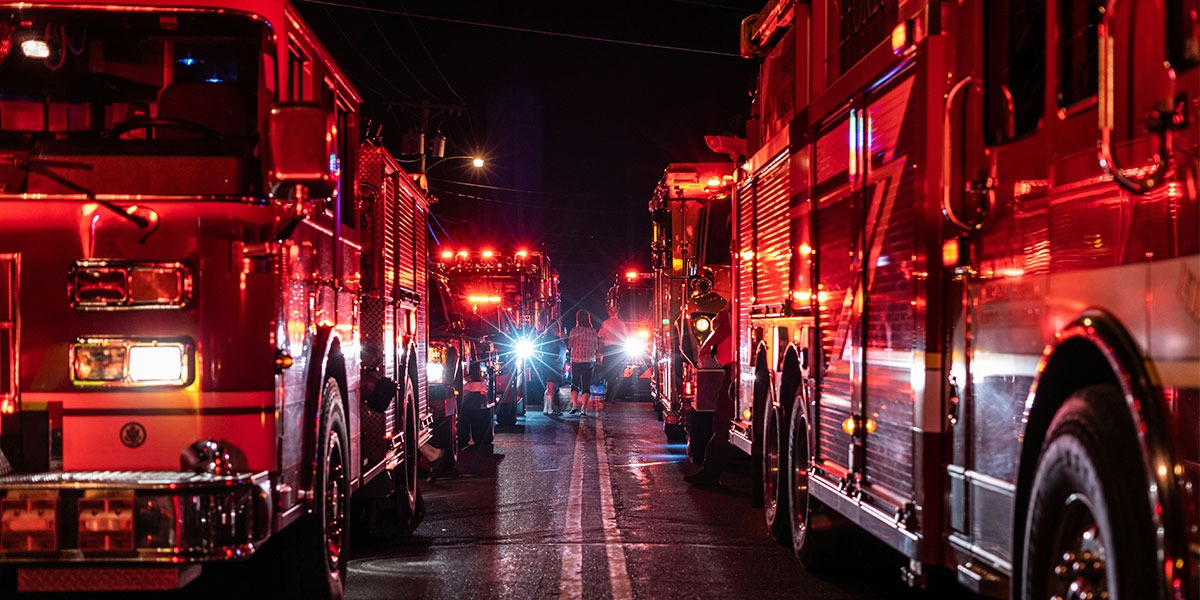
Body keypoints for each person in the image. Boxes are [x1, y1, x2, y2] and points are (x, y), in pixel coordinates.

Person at [683, 298, 734, 487]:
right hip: (731, 367)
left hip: (733, 368)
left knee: (722, 423)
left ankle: (710, 475)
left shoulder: (736, 300)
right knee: (722, 423)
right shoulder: (733, 300)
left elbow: (727, 327)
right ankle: (710, 472)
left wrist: (706, 345)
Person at [566, 309, 599, 416]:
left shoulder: (574, 331)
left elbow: (569, 345)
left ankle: (574, 405)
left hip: (576, 360)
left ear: (578, 319)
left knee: (575, 383)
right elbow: (596, 347)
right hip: (589, 360)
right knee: (586, 384)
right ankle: (584, 409)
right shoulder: (593, 331)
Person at [597, 304, 628, 403]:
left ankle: (610, 394)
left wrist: (599, 351)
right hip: (619, 350)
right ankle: (617, 393)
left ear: (609, 313)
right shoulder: (621, 323)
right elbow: (625, 337)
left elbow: (601, 338)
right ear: (617, 313)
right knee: (618, 372)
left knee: (608, 372)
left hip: (609, 350)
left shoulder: (605, 323)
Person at [538, 321, 567, 415]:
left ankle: (546, 408)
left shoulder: (552, 339)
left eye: (556, 327)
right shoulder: (550, 339)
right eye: (554, 327)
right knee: (551, 387)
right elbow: (549, 352)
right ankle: (550, 409)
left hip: (553, 366)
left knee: (550, 387)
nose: (555, 329)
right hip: (550, 366)